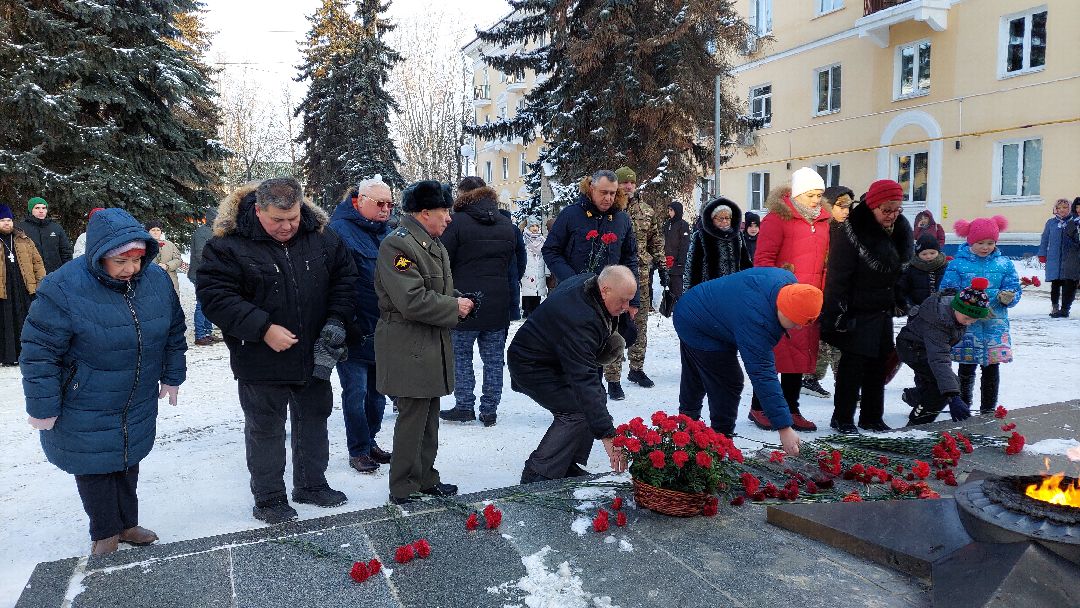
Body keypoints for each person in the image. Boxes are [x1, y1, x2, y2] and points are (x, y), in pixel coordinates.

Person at [21, 208, 186, 555]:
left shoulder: (155, 281)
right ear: (99, 255)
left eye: (137, 259)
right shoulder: (62, 287)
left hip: (135, 395)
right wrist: (42, 405)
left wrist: (172, 375)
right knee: (95, 466)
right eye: (121, 261)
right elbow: (39, 353)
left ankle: (127, 524)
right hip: (84, 399)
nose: (131, 269)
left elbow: (173, 331)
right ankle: (105, 532)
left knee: (128, 460)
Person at [197, 178, 358, 525]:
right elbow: (215, 297)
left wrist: (336, 320)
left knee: (314, 419)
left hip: (314, 353)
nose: (286, 227)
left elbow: (345, 279)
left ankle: (311, 484)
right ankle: (269, 498)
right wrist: (263, 328)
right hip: (260, 357)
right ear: (258, 210)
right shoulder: (227, 245)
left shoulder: (322, 236)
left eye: (293, 218)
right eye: (277, 220)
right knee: (266, 428)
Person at [375, 179, 475, 505]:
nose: (449, 217)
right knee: (412, 419)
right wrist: (453, 306)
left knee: (428, 417)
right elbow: (411, 300)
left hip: (429, 343)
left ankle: (425, 478)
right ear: (424, 212)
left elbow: (436, 291)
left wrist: (460, 300)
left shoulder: (432, 243)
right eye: (444, 210)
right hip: (408, 345)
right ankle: (403, 486)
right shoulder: (398, 246)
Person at [509, 265, 637, 483]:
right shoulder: (580, 319)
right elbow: (584, 380)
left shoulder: (593, 285)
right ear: (605, 290)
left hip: (554, 358)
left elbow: (589, 381)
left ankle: (565, 463)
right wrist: (607, 434)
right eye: (623, 301)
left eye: (629, 301)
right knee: (578, 410)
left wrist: (625, 330)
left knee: (595, 399)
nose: (626, 307)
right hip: (530, 365)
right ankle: (537, 474)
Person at [674, 267, 820, 455]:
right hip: (698, 324)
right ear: (784, 310)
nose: (798, 327)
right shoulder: (757, 320)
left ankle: (685, 430)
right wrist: (784, 428)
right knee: (728, 381)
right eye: (795, 321)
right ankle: (720, 441)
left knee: (696, 373)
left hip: (698, 305)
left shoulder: (787, 282)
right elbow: (763, 375)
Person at [821, 179, 913, 434]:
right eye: (886, 210)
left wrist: (899, 299)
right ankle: (842, 418)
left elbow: (900, 273)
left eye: (896, 210)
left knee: (878, 364)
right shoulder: (852, 230)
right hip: (856, 308)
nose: (892, 215)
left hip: (882, 308)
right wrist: (837, 313)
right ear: (872, 206)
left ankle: (872, 417)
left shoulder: (900, 229)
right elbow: (838, 275)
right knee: (853, 365)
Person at [542, 169, 639, 401]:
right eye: (603, 192)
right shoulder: (571, 215)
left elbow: (630, 258)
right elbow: (551, 250)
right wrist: (572, 281)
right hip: (574, 297)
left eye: (613, 193)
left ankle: (591, 400)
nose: (608, 198)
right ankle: (567, 403)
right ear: (591, 188)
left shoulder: (622, 219)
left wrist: (631, 299)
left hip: (607, 301)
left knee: (598, 352)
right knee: (571, 351)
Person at [749, 167, 831, 432]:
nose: (816, 200)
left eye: (819, 194)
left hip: (810, 298)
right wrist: (774, 292)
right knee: (773, 354)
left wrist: (822, 293)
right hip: (782, 297)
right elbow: (763, 260)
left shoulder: (823, 222)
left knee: (798, 356)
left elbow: (826, 262)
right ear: (796, 194)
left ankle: (791, 408)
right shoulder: (777, 218)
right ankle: (760, 406)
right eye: (810, 195)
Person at [439, 177, 521, 428]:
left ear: (463, 195)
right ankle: (490, 410)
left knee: (460, 356)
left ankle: (464, 406)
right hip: (498, 300)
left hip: (464, 301)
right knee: (494, 360)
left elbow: (443, 261)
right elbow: (517, 264)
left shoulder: (456, 222)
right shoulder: (507, 224)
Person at [328, 176, 394, 474]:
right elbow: (334, 282)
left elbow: (400, 268)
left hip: (383, 329)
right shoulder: (339, 231)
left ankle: (370, 441)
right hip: (354, 329)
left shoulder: (387, 232)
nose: (386, 209)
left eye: (390, 204)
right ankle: (358, 449)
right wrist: (343, 321)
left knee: (377, 395)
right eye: (380, 203)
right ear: (361, 201)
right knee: (356, 394)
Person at [940, 215, 1021, 414]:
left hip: (995, 326)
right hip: (967, 327)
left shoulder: (1004, 264)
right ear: (970, 241)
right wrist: (969, 308)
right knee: (966, 369)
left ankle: (988, 409)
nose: (985, 247)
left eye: (990, 243)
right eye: (980, 243)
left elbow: (1014, 288)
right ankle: (963, 407)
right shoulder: (957, 265)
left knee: (992, 369)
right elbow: (947, 293)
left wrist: (1009, 297)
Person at [601, 166, 662, 397]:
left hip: (640, 278)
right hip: (614, 278)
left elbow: (656, 240)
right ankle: (613, 378)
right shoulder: (609, 211)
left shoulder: (646, 211)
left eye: (631, 182)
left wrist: (662, 266)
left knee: (639, 325)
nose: (628, 186)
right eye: (624, 182)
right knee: (613, 327)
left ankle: (636, 368)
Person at [899, 279, 989, 426]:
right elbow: (939, 359)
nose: (968, 323)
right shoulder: (939, 322)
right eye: (967, 318)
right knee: (941, 389)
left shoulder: (957, 312)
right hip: (912, 348)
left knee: (945, 384)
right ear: (956, 307)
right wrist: (952, 396)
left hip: (924, 347)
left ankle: (914, 396)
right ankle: (916, 426)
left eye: (974, 320)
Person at [802, 185, 854, 399]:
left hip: (845, 292)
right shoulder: (821, 229)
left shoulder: (850, 230)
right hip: (823, 291)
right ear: (828, 206)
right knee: (826, 339)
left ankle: (840, 382)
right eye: (840, 206)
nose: (846, 211)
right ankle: (813, 379)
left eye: (849, 206)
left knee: (840, 339)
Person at [1, 205, 46, 365]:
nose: (7, 223)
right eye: (2, 220)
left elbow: (37, 263)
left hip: (24, 288)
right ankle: (7, 357)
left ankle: (27, 354)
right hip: (3, 290)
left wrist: (41, 284)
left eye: (9, 220)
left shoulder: (24, 239)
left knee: (25, 321)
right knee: (6, 323)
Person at [682, 197, 752, 291]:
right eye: (720, 218)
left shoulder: (737, 235)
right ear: (711, 219)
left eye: (727, 218)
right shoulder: (701, 236)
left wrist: (749, 285)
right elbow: (693, 268)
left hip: (734, 289)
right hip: (709, 291)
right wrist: (690, 293)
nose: (724, 221)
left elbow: (745, 263)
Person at [1038, 198, 1080, 318]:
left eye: (1065, 207)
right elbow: (1045, 239)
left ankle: (1065, 308)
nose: (1062, 210)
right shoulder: (1051, 223)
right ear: (1055, 209)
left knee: (1068, 284)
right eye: (1059, 208)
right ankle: (1055, 307)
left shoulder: (1074, 222)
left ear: (1070, 208)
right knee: (1055, 284)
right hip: (1054, 258)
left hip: (1069, 259)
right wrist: (1042, 254)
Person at [187, 206, 220, 346]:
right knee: (201, 303)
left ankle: (207, 332)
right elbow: (200, 254)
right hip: (200, 273)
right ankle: (200, 335)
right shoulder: (202, 232)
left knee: (209, 302)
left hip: (211, 273)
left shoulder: (215, 232)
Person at [18, 196, 73, 273]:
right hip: (31, 274)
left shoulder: (56, 228)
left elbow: (66, 252)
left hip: (55, 273)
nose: (41, 211)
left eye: (44, 208)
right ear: (31, 210)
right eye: (37, 208)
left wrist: (67, 271)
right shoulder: (21, 229)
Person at [898, 233, 948, 310]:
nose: (928, 256)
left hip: (941, 308)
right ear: (918, 254)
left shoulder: (945, 267)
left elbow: (950, 289)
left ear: (938, 252)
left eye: (932, 253)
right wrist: (910, 304)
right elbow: (902, 289)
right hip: (917, 308)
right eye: (924, 254)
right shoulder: (911, 269)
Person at [520, 216, 549, 317]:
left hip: (539, 269)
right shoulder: (523, 240)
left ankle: (535, 309)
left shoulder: (542, 240)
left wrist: (547, 271)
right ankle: (526, 310)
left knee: (537, 290)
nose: (535, 228)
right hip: (527, 269)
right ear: (528, 227)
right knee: (527, 290)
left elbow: (546, 256)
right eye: (532, 226)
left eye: (537, 226)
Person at [144, 219, 183, 294]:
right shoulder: (143, 245)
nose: (156, 232)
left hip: (170, 281)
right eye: (153, 230)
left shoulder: (170, 245)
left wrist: (167, 266)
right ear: (148, 231)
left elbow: (178, 260)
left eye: (158, 230)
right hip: (151, 281)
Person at [662, 201, 691, 302]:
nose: (669, 212)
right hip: (667, 260)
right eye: (669, 210)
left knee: (677, 286)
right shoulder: (667, 224)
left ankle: (679, 304)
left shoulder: (683, 225)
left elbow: (684, 244)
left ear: (677, 211)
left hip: (677, 262)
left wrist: (680, 261)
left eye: (671, 210)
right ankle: (670, 305)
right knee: (668, 285)